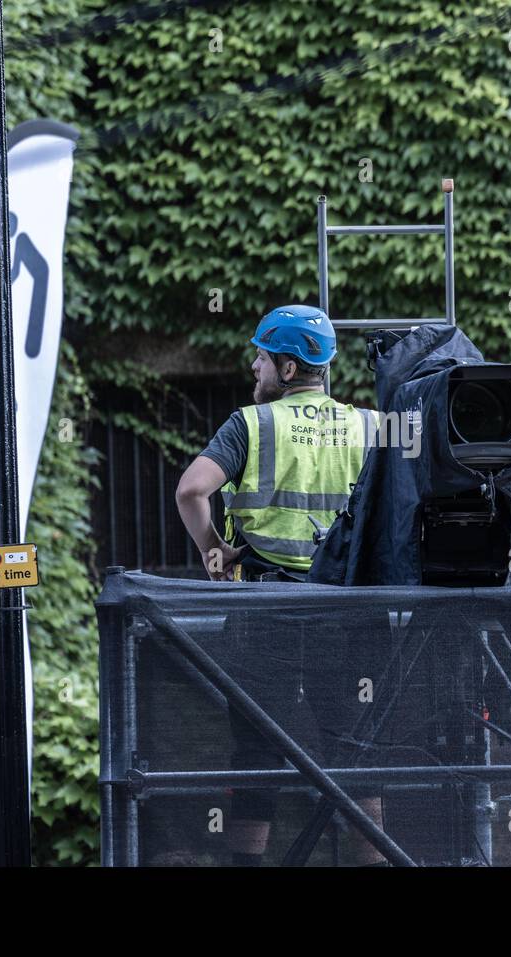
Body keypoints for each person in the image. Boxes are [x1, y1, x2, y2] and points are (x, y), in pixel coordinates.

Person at [175, 305, 385, 865]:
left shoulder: (251, 424)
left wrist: (213, 550)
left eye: (262, 358)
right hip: (349, 613)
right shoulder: (370, 425)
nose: (254, 367)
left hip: (263, 609)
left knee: (255, 753)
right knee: (355, 753)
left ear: (288, 369)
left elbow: (192, 491)